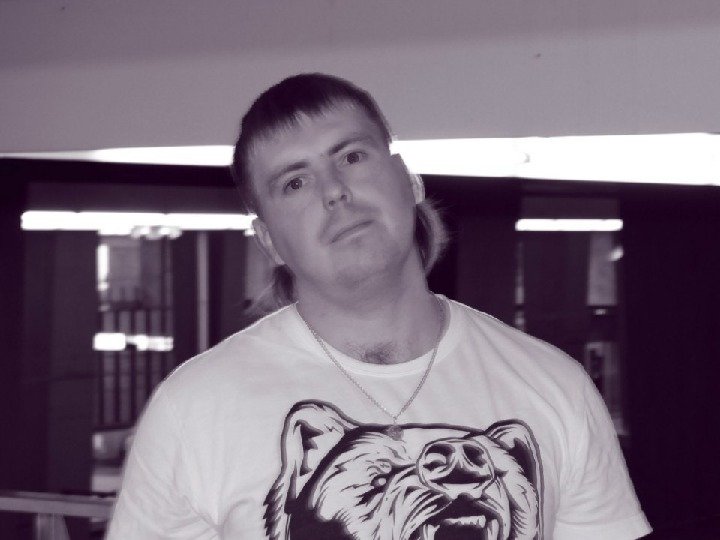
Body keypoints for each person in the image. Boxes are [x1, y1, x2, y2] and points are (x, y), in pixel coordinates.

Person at [107, 73, 652, 539]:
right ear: (269, 241)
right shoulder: (194, 409)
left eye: (352, 156)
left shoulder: (554, 385)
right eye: (294, 182)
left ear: (409, 181)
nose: (334, 191)